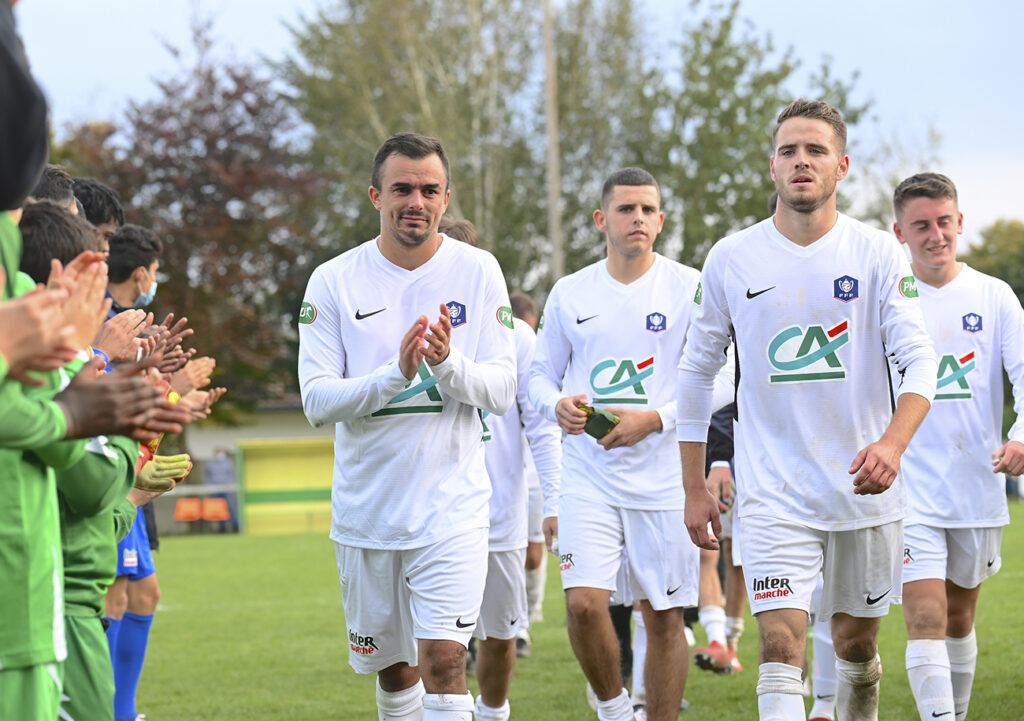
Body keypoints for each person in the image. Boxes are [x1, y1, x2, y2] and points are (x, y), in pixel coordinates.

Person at [677, 98, 938, 721]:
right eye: (790, 150)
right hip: (772, 493)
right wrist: (692, 484)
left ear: (841, 165)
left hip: (862, 489)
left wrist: (892, 446)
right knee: (779, 644)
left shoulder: (876, 252)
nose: (802, 161)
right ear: (772, 165)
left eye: (815, 150)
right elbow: (694, 373)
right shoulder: (731, 257)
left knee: (855, 644)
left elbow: (921, 361)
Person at [298, 132, 516, 720]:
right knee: (397, 674)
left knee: (445, 663)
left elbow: (500, 390)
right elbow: (316, 399)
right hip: (367, 517)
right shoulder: (334, 281)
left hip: (451, 510)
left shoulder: (478, 271)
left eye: (428, 189)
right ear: (375, 196)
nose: (415, 201)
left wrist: (446, 363)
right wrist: (393, 375)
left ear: (446, 198)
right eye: (401, 189)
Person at [530, 167, 729, 721]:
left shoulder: (690, 286)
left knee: (663, 616)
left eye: (647, 209)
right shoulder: (570, 293)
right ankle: (616, 710)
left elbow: (728, 375)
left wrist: (659, 419)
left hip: (666, 478)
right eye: (625, 209)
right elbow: (538, 376)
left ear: (661, 221)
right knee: (584, 604)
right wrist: (557, 404)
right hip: (589, 478)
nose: (636, 217)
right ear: (601, 220)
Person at [891, 172, 1024, 720]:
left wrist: (1020, 436)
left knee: (959, 618)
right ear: (899, 232)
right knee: (925, 616)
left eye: (944, 222)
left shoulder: (993, 296)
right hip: (905, 484)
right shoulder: (890, 298)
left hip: (976, 481)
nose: (935, 235)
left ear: (960, 222)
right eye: (921, 225)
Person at [203, 446, 239, 532]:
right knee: (218, 509)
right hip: (215, 490)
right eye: (218, 452)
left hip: (228, 490)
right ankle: (222, 528)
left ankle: (235, 526)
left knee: (231, 507)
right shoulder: (210, 464)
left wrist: (231, 485)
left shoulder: (229, 463)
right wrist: (209, 486)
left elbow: (233, 475)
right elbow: (206, 476)